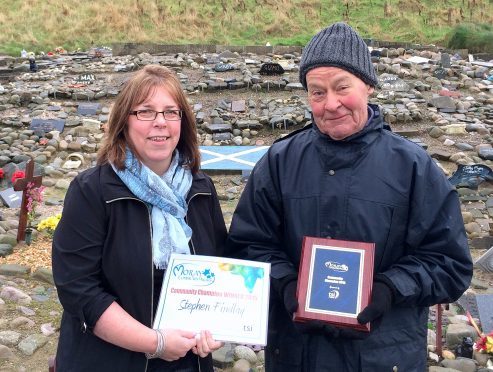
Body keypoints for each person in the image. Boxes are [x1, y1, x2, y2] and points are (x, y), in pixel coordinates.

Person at [226, 23, 473, 371]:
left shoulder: (414, 167)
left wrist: (391, 287)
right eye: (317, 92)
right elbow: (247, 246)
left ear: (368, 85)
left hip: (385, 355)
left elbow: (451, 263)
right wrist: (284, 282)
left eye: (343, 87)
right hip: (298, 354)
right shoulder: (279, 162)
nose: (331, 104)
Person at [52, 65, 227, 371]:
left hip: (189, 362)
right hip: (110, 361)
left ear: (182, 122)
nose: (160, 122)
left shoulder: (201, 189)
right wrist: (155, 343)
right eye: (145, 112)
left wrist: (218, 328)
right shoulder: (92, 191)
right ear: (124, 122)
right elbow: (79, 289)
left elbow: (221, 272)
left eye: (171, 112)